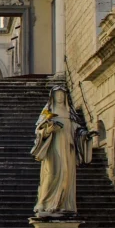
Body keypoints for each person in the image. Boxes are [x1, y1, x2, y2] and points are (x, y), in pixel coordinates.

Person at [30, 86, 96, 217]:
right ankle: (44, 202)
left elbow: (77, 129)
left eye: (62, 94)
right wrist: (49, 130)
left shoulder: (69, 112)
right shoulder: (48, 111)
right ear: (52, 97)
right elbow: (39, 131)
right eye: (57, 95)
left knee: (66, 174)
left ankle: (62, 204)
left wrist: (85, 135)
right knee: (51, 174)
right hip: (53, 148)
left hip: (67, 148)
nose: (60, 97)